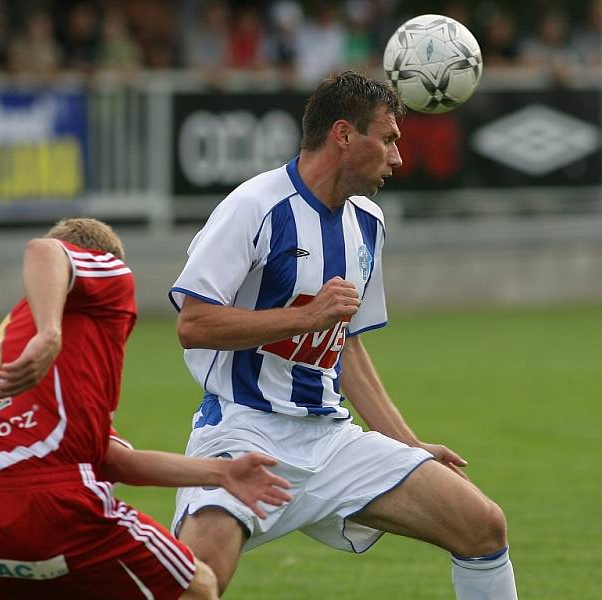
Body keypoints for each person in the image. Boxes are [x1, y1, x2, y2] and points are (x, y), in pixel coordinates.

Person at [168, 71, 519, 599]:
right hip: (242, 435)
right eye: (390, 139)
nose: (398, 158)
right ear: (344, 135)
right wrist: (303, 317)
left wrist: (407, 443)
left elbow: (346, 345)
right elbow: (193, 324)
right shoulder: (254, 205)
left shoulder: (368, 222)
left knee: (482, 525)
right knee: (196, 581)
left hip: (331, 441)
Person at [0, 217, 291, 600]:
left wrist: (220, 472)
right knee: (197, 586)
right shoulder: (106, 279)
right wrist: (50, 334)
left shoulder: (19, 338)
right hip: (50, 505)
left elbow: (112, 459)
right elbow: (45, 249)